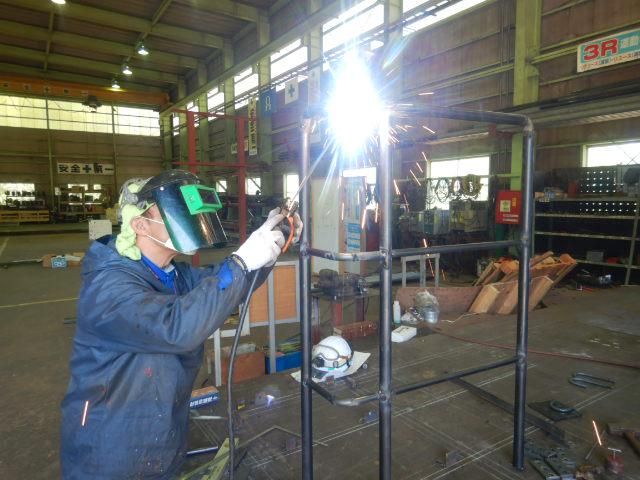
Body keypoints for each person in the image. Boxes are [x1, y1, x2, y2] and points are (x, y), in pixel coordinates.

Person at [60, 170, 302, 479]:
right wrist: (241, 262)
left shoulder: (172, 274)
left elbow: (225, 285)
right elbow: (177, 328)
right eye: (172, 211)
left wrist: (270, 247)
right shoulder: (109, 288)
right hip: (111, 446)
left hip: (162, 434)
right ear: (140, 225)